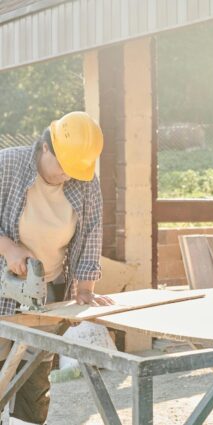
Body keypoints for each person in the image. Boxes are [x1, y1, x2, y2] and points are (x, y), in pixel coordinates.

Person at [0, 111, 113, 425]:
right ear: (46, 147)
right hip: (2, 288)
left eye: (74, 170)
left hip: (45, 291)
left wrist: (85, 289)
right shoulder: (7, 165)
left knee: (35, 378)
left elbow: (91, 232)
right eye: (63, 167)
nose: (67, 175)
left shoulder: (85, 182)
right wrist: (8, 248)